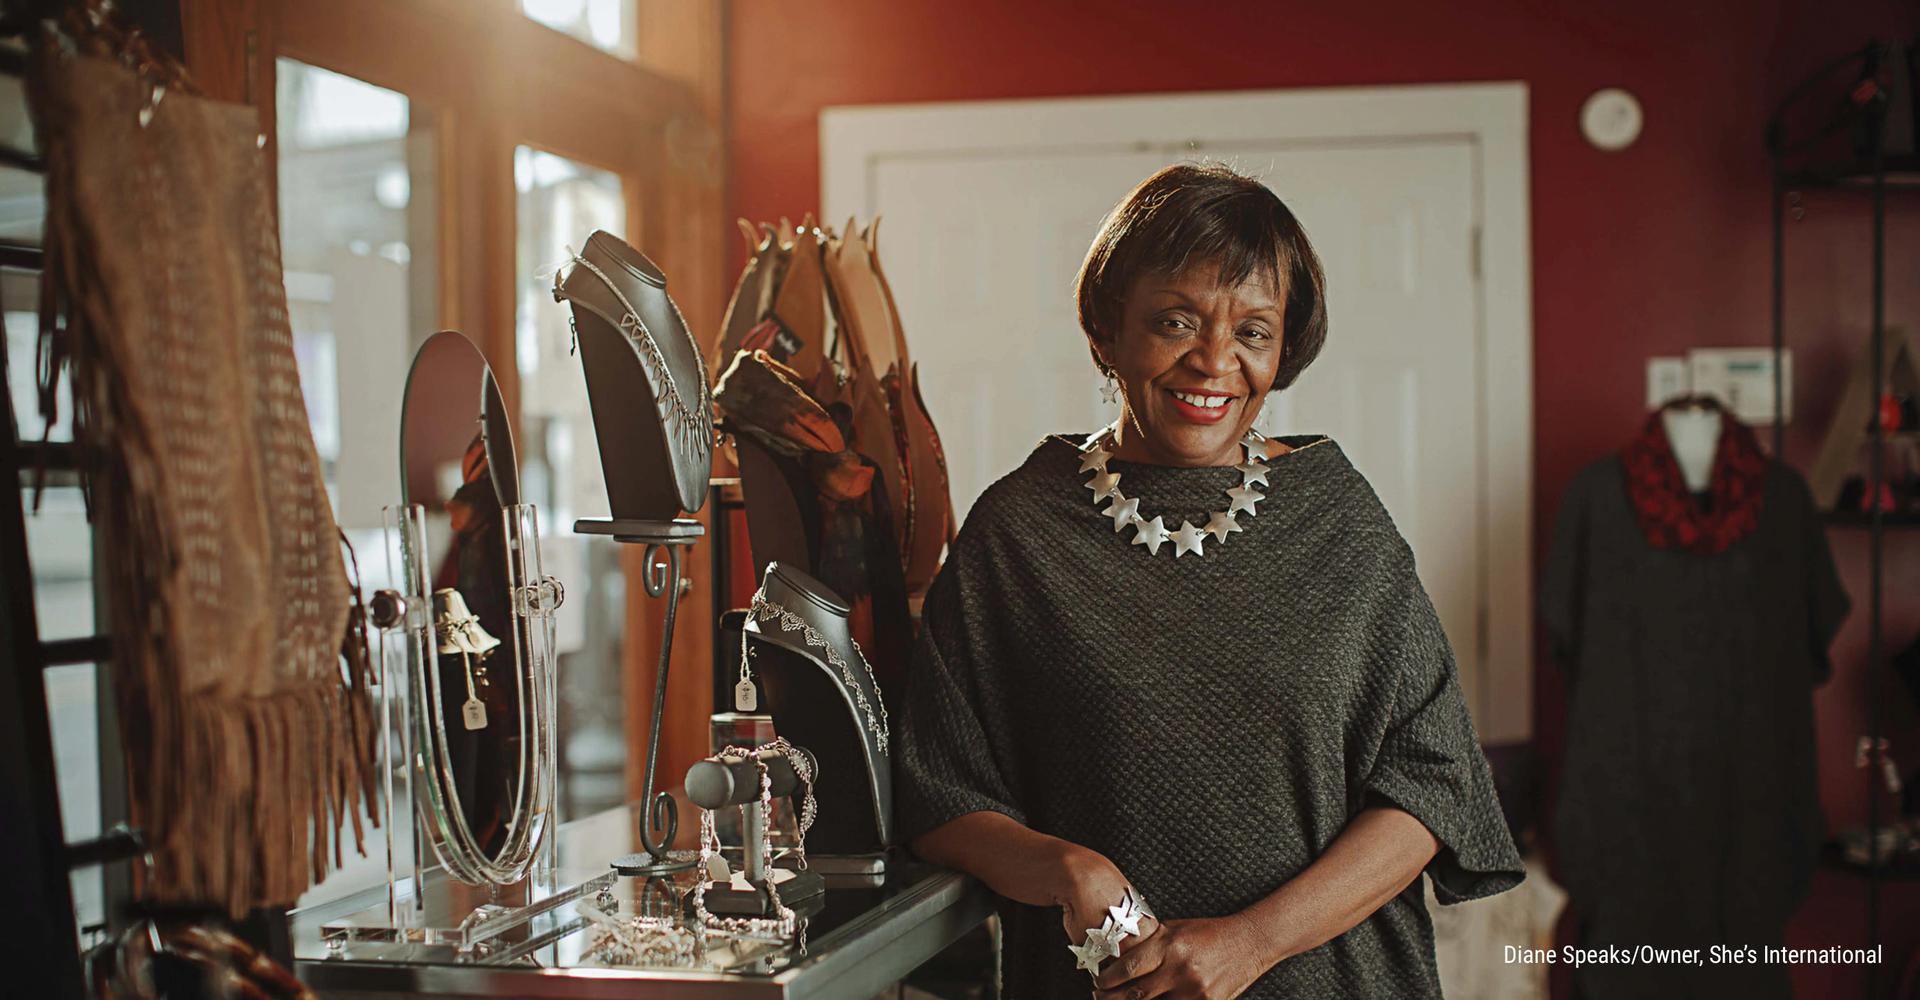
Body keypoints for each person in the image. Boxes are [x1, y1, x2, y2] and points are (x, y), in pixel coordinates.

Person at [896, 161, 1524, 998]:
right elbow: (937, 793)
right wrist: (1067, 869)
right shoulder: (1019, 535)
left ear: (1283, 350)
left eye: (1253, 332)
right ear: (1107, 333)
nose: (1214, 361)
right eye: (1177, 321)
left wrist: (1249, 944)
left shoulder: (1336, 518)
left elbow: (1434, 784)